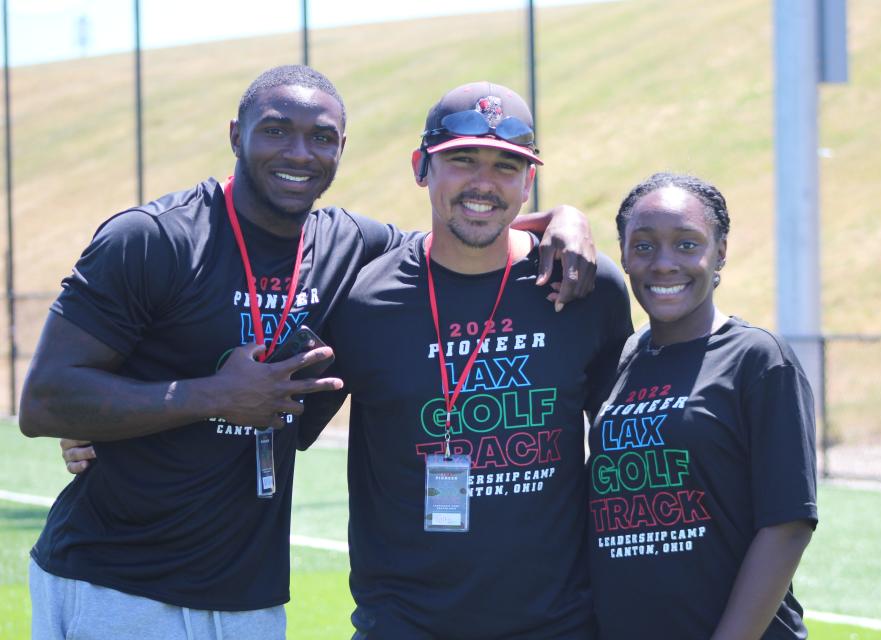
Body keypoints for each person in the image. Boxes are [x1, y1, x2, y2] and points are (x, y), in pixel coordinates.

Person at [19, 65, 597, 640]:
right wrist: (212, 397)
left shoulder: (353, 248)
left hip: (250, 596)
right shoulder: (153, 238)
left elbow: (464, 225)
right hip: (115, 579)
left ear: (340, 149)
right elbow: (45, 402)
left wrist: (563, 218)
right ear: (235, 136)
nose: (299, 153)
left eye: (320, 137)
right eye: (275, 130)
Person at [301, 81, 634, 639]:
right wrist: (103, 437)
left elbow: (626, 445)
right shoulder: (365, 300)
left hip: (557, 624)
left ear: (530, 181)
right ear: (421, 167)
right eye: (461, 160)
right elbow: (278, 429)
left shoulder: (583, 286)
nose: (483, 183)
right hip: (405, 624)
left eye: (507, 166)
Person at [587, 172, 818, 639]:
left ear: (721, 252)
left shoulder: (757, 359)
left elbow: (788, 523)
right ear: (625, 256)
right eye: (645, 246)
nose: (664, 264)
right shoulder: (619, 362)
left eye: (687, 244)